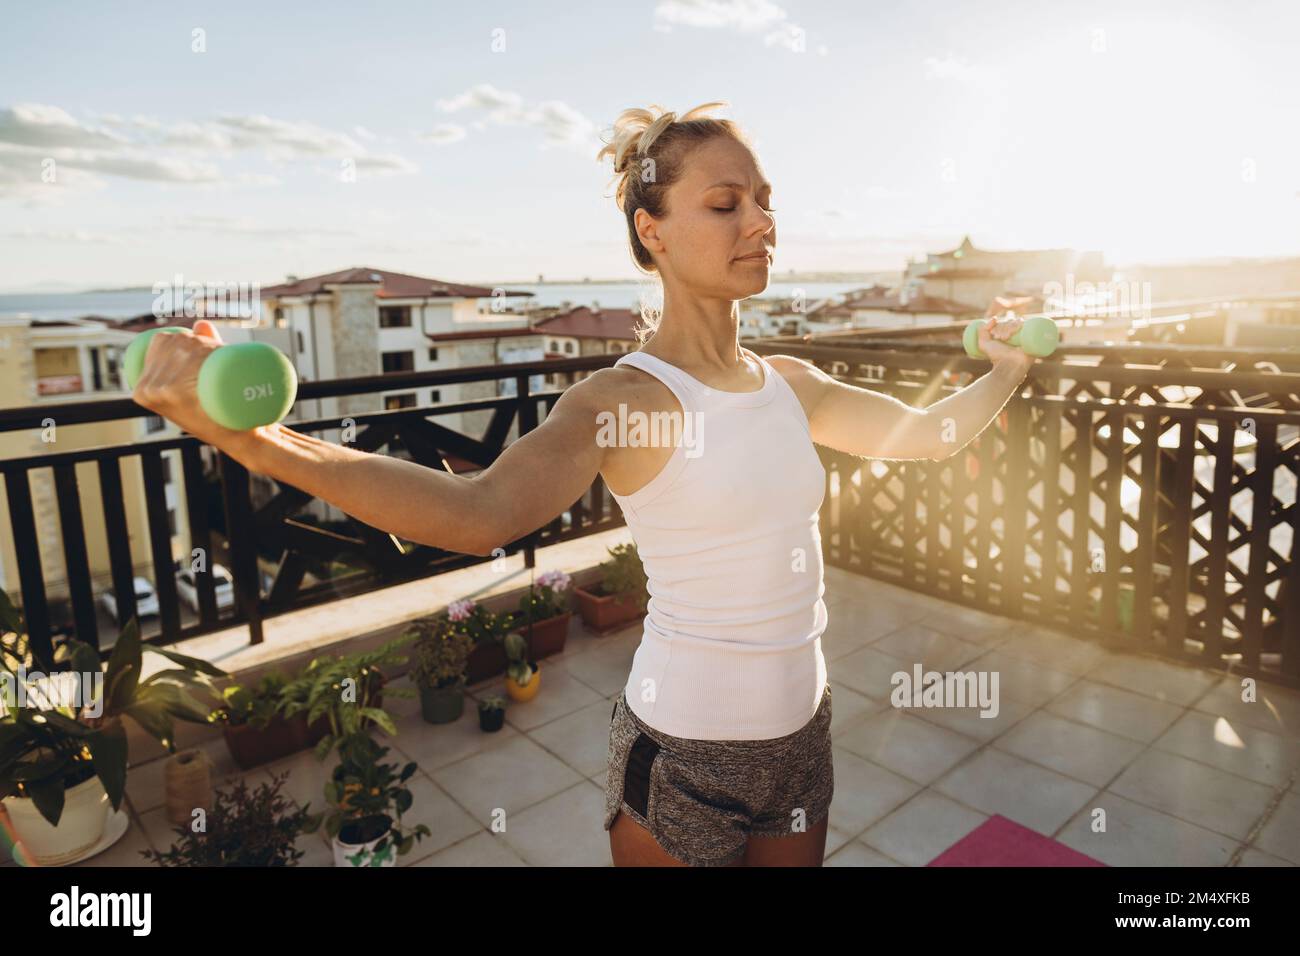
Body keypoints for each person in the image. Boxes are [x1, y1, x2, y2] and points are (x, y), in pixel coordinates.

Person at [132, 101, 1035, 867]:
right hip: (683, 760)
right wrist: (257, 443)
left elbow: (925, 437)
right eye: (726, 204)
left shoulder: (789, 384)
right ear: (653, 230)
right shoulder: (622, 399)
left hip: (801, 736)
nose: (761, 223)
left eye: (764, 202)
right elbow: (478, 512)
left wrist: (1002, 371)